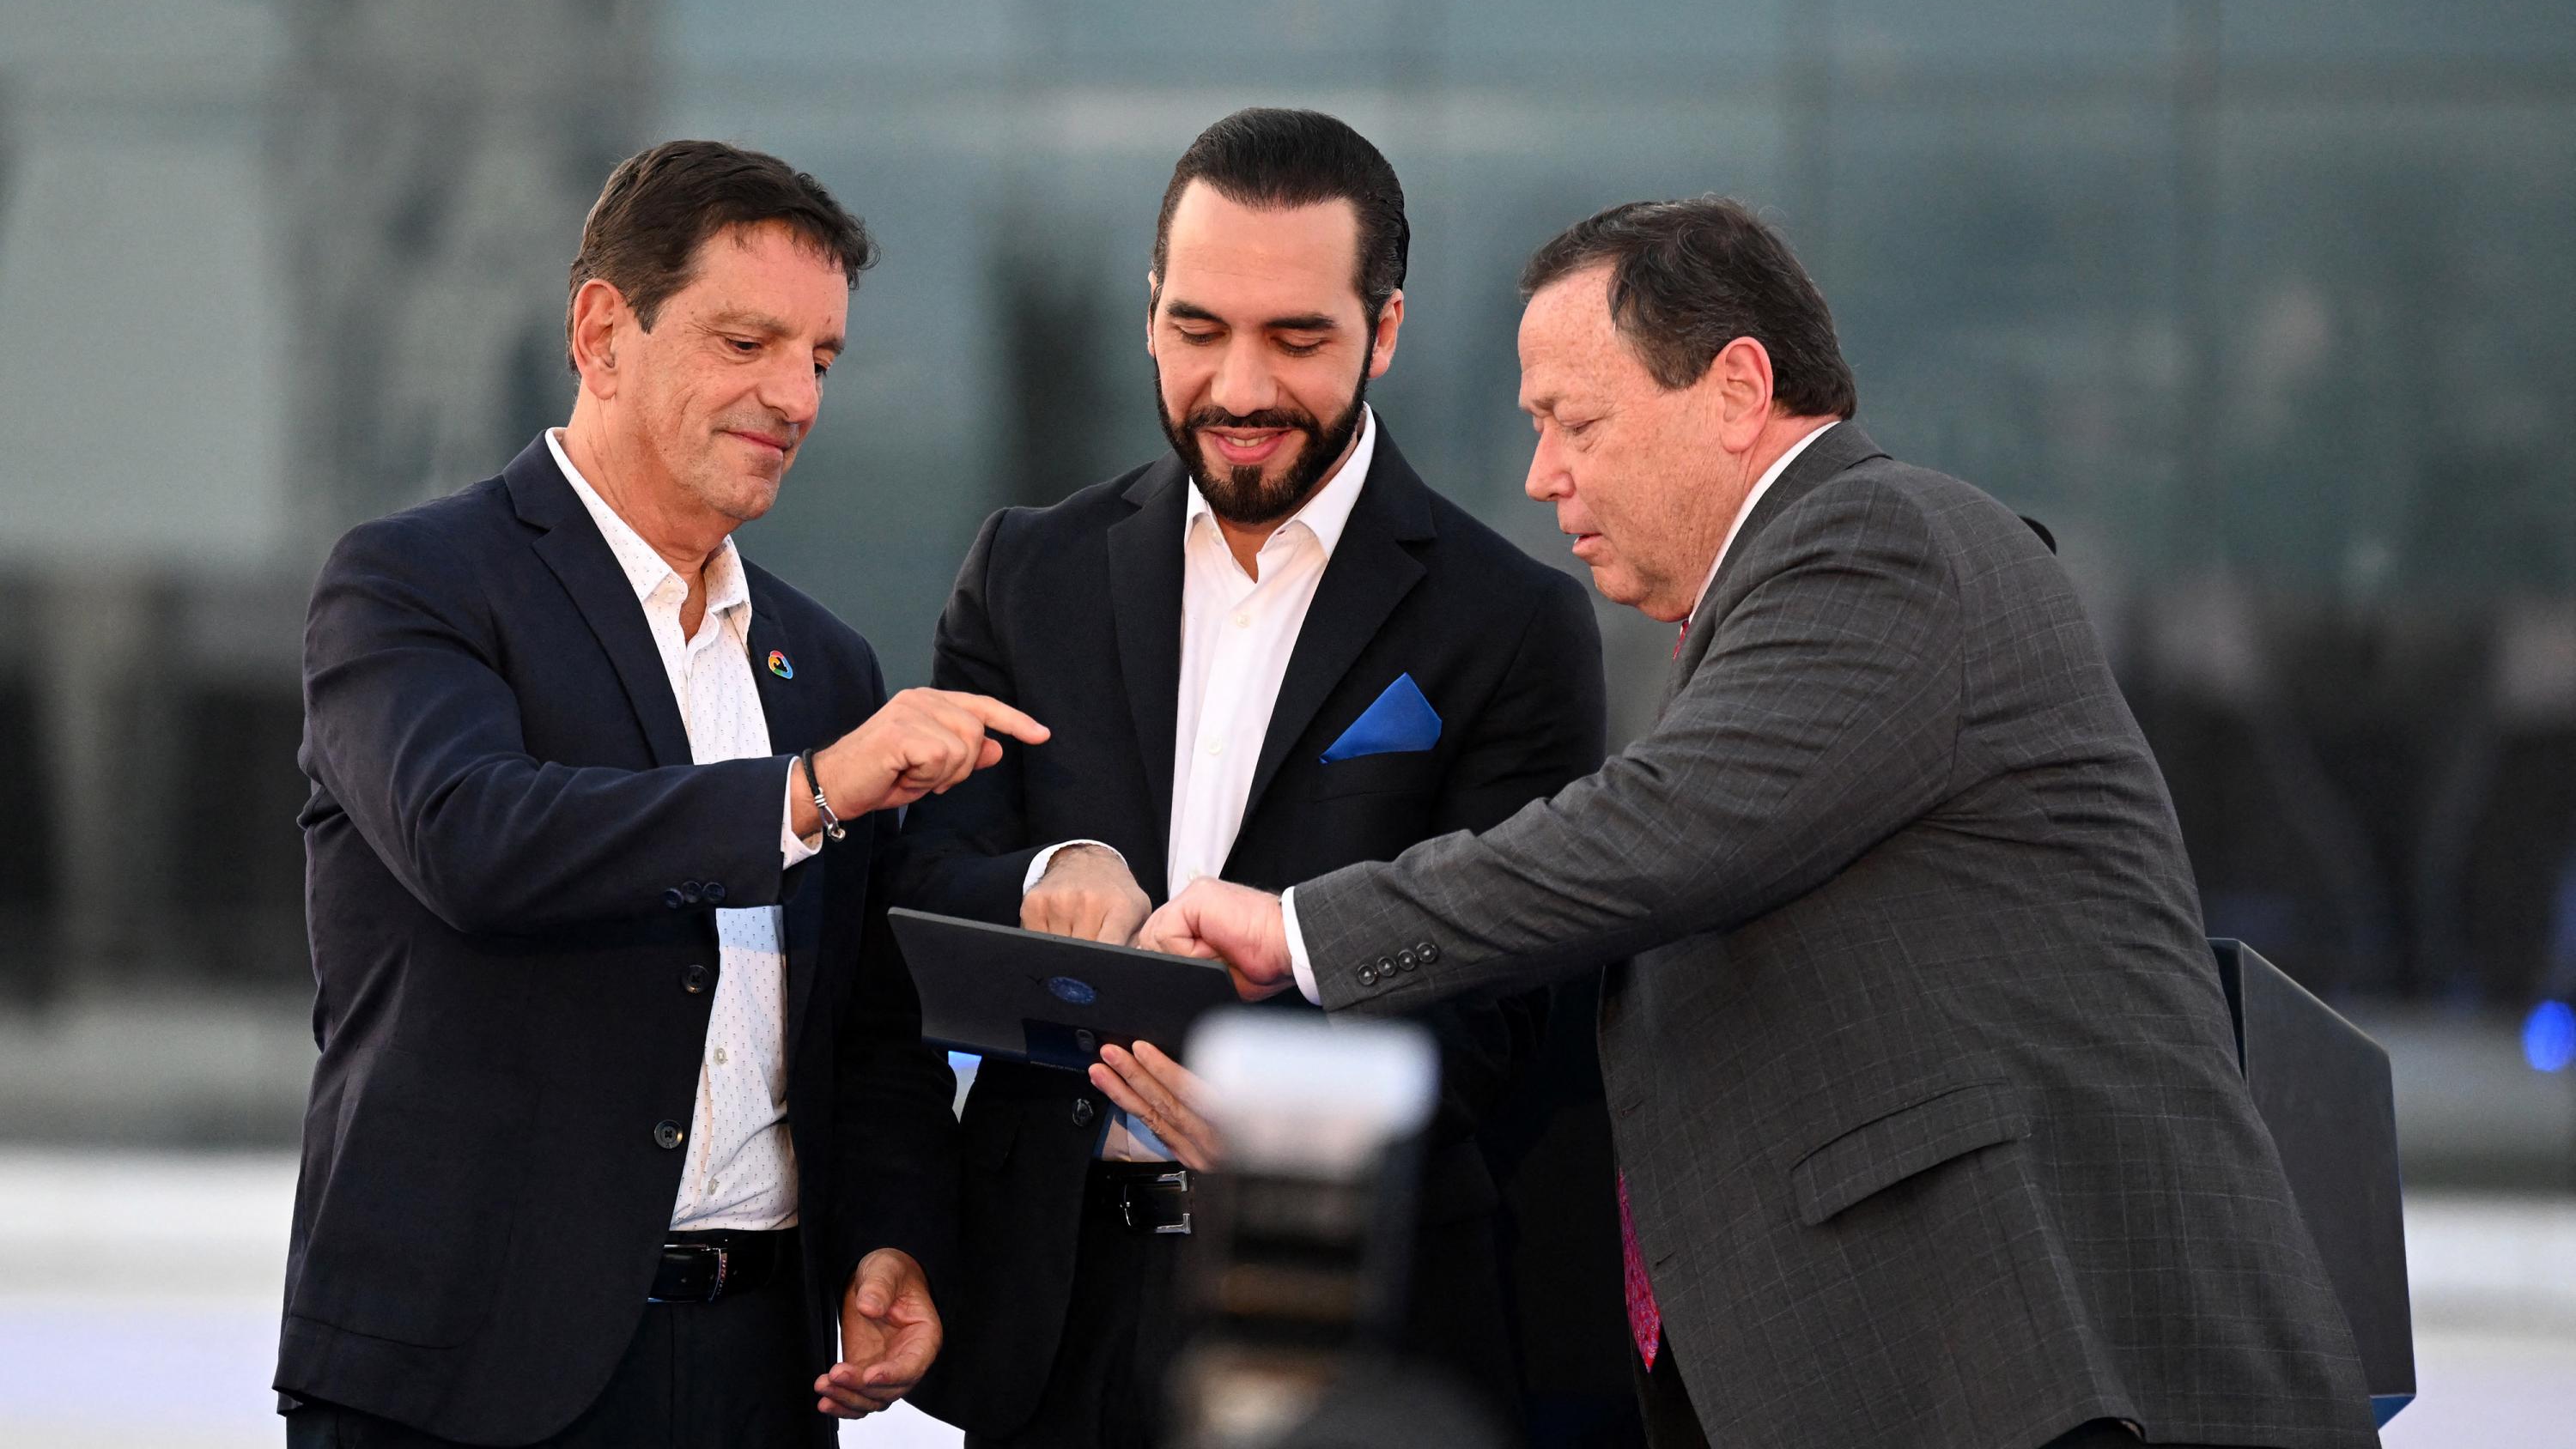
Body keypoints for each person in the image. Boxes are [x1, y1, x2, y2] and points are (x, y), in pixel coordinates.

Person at [1143, 197, 2383, 1449]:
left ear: (1738, 388)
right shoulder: (1778, 610)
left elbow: (1654, 837)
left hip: (2048, 1380)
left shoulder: (1878, 542)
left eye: (1574, 421)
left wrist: (1304, 927)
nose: (1543, 474)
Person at [276, 140, 1044, 1446]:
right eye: (746, 342)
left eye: (822, 357)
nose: (794, 394)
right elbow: (474, 840)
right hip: (462, 1379)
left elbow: (865, 1027)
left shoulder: (825, 666)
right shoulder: (413, 584)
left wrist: (893, 1240)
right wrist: (803, 798)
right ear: (600, 332)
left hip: (760, 1373)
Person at [896, 108, 1607, 1448]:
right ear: (1150, 310)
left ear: (1383, 332)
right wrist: (1054, 877)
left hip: (1345, 1322)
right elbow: (925, 882)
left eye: (1297, 339)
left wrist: (1295, 1111)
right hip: (1052, 1317)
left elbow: (1513, 991)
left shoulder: (1509, 624)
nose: (1237, 387)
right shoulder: (1023, 571)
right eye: (1198, 329)